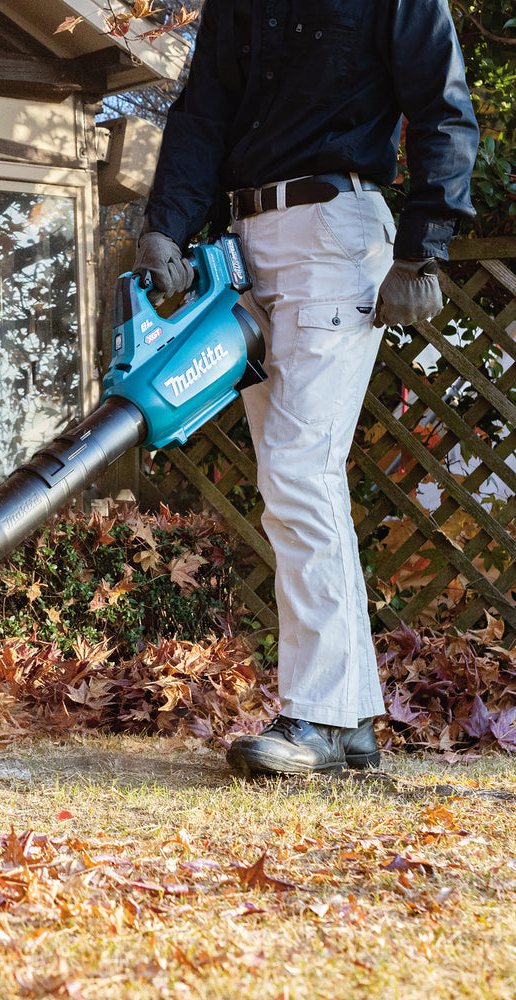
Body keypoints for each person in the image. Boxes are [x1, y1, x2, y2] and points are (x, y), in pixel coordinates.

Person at [134, 0, 479, 776]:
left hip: (337, 232)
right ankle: (352, 721)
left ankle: (317, 721)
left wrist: (422, 251)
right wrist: (166, 227)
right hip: (244, 248)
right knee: (296, 477)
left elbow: (442, 109)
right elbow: (202, 115)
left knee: (297, 470)